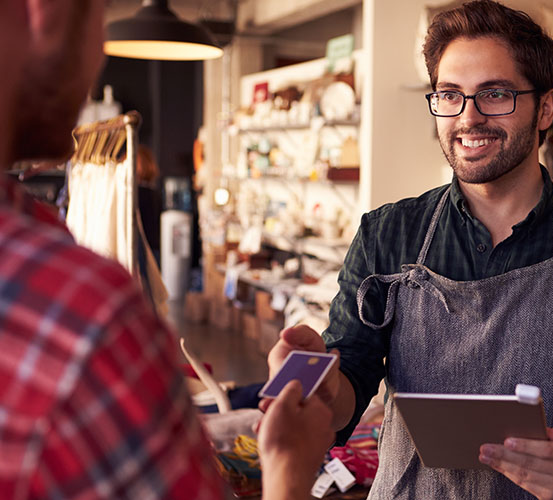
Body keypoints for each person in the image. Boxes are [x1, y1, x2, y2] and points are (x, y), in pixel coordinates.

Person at [265, 1, 553, 499]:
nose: (468, 117)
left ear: (546, 107)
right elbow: (349, 391)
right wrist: (313, 378)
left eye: (495, 94)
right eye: (450, 95)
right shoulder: (387, 235)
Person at [0, 1, 332, 498]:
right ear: (43, 13)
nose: (97, 59)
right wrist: (288, 467)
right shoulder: (81, 313)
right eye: (99, 21)